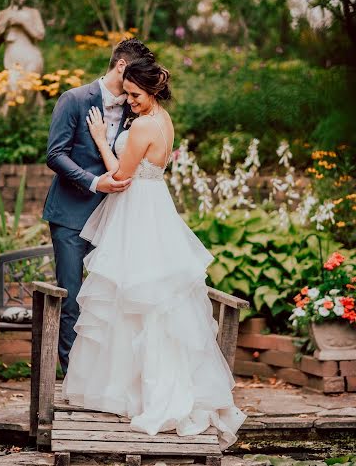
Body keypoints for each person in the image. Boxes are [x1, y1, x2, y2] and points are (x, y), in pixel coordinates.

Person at [62, 57, 246, 447]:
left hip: (137, 212)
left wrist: (99, 141)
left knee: (133, 296)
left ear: (154, 91)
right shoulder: (164, 120)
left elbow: (120, 177)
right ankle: (134, 388)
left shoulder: (145, 125)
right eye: (127, 94)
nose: (130, 102)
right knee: (150, 299)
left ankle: (137, 392)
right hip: (155, 206)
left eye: (136, 95)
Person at [43, 38, 155, 374]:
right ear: (121, 66)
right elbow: (55, 154)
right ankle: (71, 376)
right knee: (73, 297)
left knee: (111, 299)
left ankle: (104, 375)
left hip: (115, 217)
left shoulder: (135, 107)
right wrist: (94, 182)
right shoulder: (74, 99)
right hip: (71, 216)